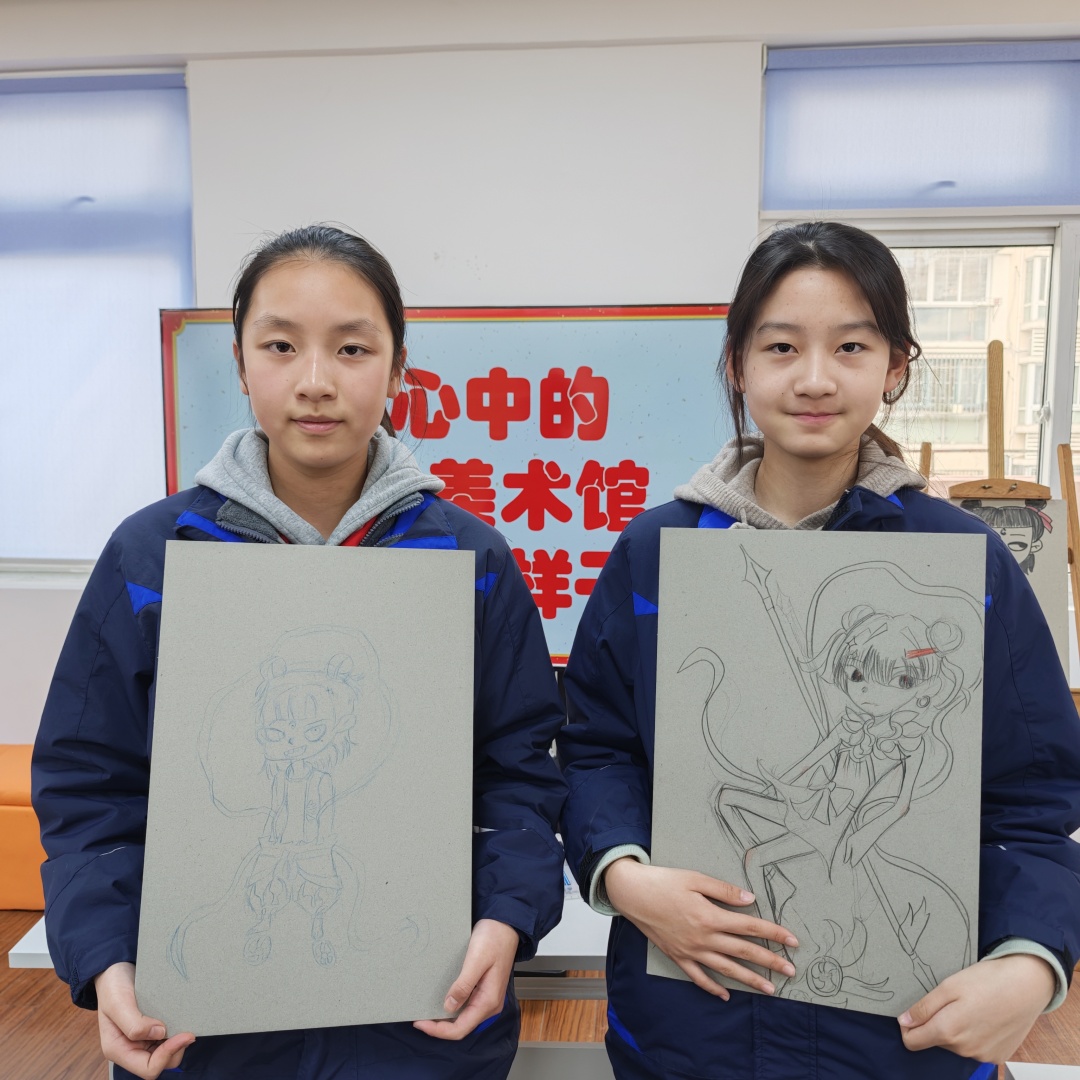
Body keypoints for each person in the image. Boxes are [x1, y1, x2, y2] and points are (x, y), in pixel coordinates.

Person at [32, 224, 568, 1080]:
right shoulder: (152, 556)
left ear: (398, 369)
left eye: (352, 348)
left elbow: (520, 772)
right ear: (241, 365)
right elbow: (90, 782)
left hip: (420, 1024)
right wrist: (108, 960)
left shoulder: (470, 560)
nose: (316, 380)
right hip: (207, 1033)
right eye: (280, 345)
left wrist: (506, 919)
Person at [557, 221, 1080, 1079]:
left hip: (898, 1040)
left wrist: (1031, 958)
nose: (813, 378)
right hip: (693, 1026)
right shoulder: (654, 553)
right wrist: (625, 876)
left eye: (850, 346)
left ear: (896, 366)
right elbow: (595, 749)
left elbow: (1032, 796)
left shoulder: (965, 564)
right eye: (780, 346)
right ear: (737, 363)